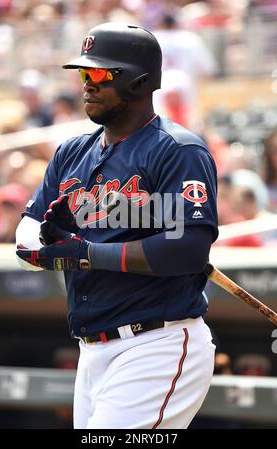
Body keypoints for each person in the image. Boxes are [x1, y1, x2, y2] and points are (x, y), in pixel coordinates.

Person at [15, 22, 218, 429]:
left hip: (156, 342)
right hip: (92, 350)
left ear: (140, 82)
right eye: (83, 74)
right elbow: (28, 230)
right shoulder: (73, 151)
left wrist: (87, 255)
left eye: (100, 74)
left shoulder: (179, 151)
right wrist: (42, 244)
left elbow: (189, 248)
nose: (87, 84)